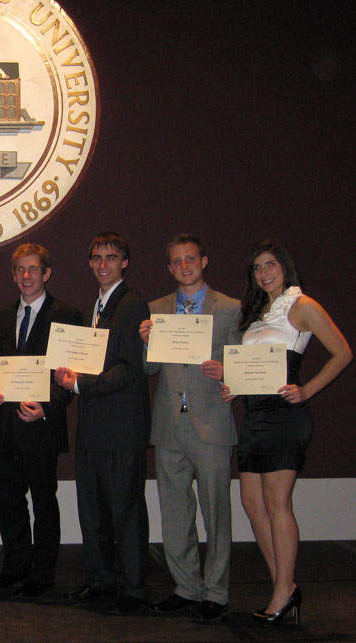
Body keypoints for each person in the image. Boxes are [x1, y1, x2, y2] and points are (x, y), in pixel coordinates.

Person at [221, 237, 350, 625]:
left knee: (278, 504)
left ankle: (281, 593)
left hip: (285, 416)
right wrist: (235, 385)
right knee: (251, 501)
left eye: (270, 265)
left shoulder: (302, 305)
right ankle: (286, 585)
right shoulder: (257, 311)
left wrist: (307, 389)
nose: (264, 273)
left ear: (284, 267)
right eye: (257, 268)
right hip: (255, 414)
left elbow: (343, 352)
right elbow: (255, 367)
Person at [139, 234, 241, 620]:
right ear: (169, 267)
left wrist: (227, 371)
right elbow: (149, 369)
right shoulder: (157, 309)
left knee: (217, 512)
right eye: (176, 261)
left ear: (204, 261)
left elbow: (243, 364)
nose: (184, 266)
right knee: (175, 512)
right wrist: (146, 342)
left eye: (190, 259)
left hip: (211, 422)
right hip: (168, 423)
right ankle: (186, 587)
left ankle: (215, 592)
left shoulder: (230, 308)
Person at [54, 231, 151, 613]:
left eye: (111, 258)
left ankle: (134, 588)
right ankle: (99, 580)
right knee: (92, 510)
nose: (103, 265)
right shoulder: (92, 309)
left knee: (125, 511)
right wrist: (69, 375)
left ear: (124, 262)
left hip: (122, 429)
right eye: (96, 258)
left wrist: (78, 382)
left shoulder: (133, 305)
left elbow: (130, 370)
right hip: (93, 427)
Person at [0, 243, 81, 599]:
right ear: (13, 274)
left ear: (46, 273)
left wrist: (48, 408)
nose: (26, 276)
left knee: (43, 502)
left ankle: (42, 574)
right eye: (20, 270)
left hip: (41, 425)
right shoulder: (1, 314)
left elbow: (70, 377)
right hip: (5, 426)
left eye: (33, 269)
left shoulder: (66, 315)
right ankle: (14, 567)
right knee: (8, 501)